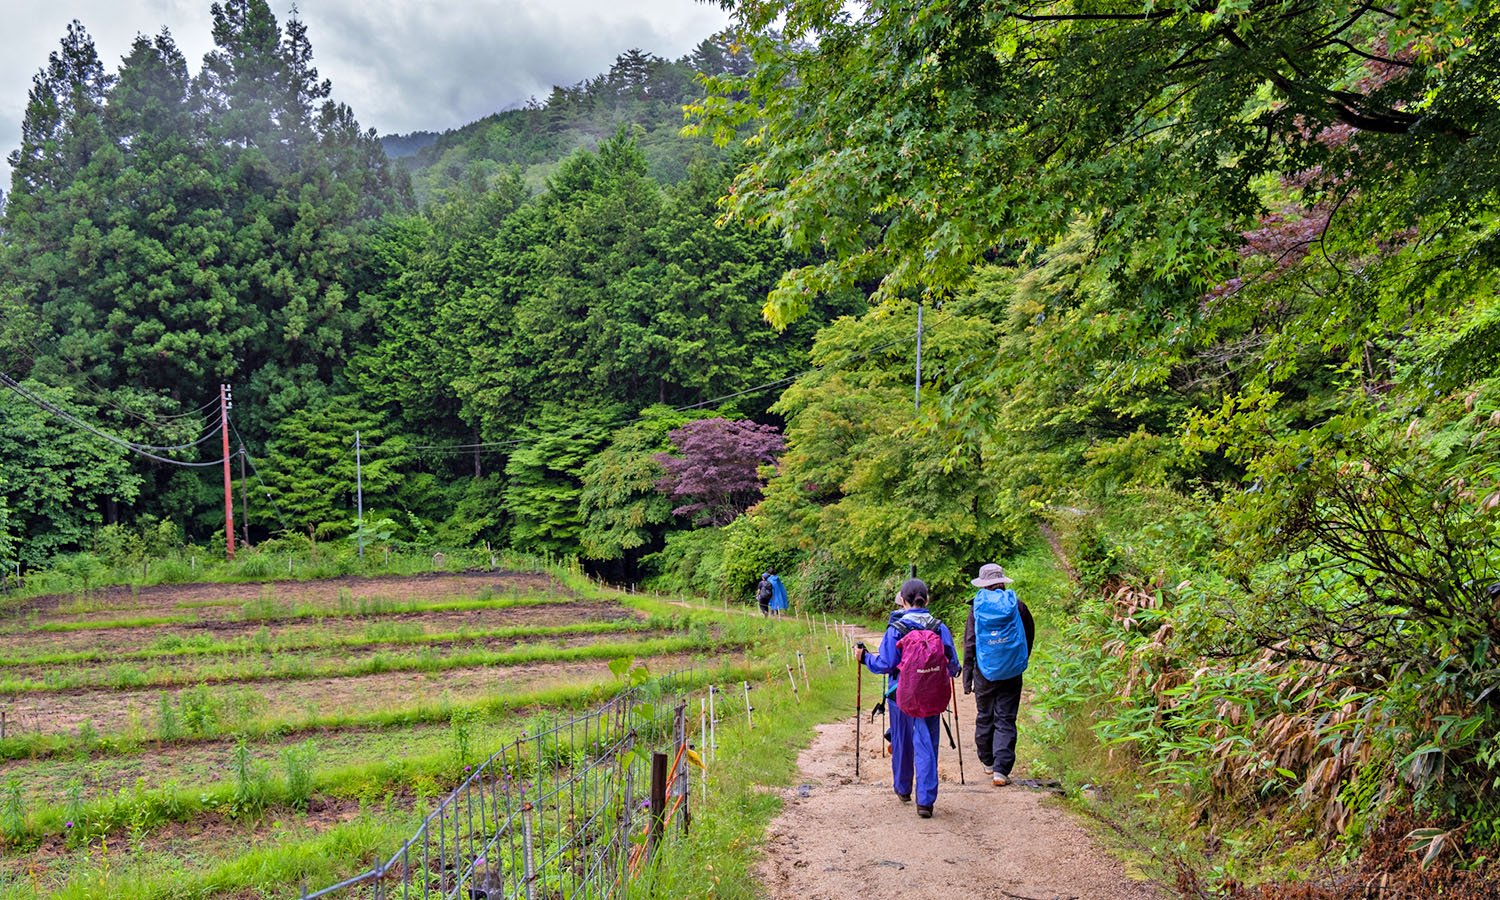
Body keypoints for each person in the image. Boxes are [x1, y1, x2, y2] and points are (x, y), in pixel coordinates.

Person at [856, 578, 961, 818]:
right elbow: (953, 665)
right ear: (927, 599)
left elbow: (885, 664)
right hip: (932, 695)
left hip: (900, 694)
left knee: (902, 740)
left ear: (902, 601)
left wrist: (865, 658)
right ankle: (925, 801)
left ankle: (903, 789)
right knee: (927, 744)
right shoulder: (939, 628)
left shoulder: (896, 629)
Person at [962, 563, 1035, 787]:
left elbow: (970, 643)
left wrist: (967, 676)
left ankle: (988, 761)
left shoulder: (976, 608)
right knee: (1006, 718)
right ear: (1002, 582)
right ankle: (1001, 771)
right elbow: (1028, 636)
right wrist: (1019, 660)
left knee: (985, 715)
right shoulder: (1018, 606)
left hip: (984, 672)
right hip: (1012, 671)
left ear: (983, 584)